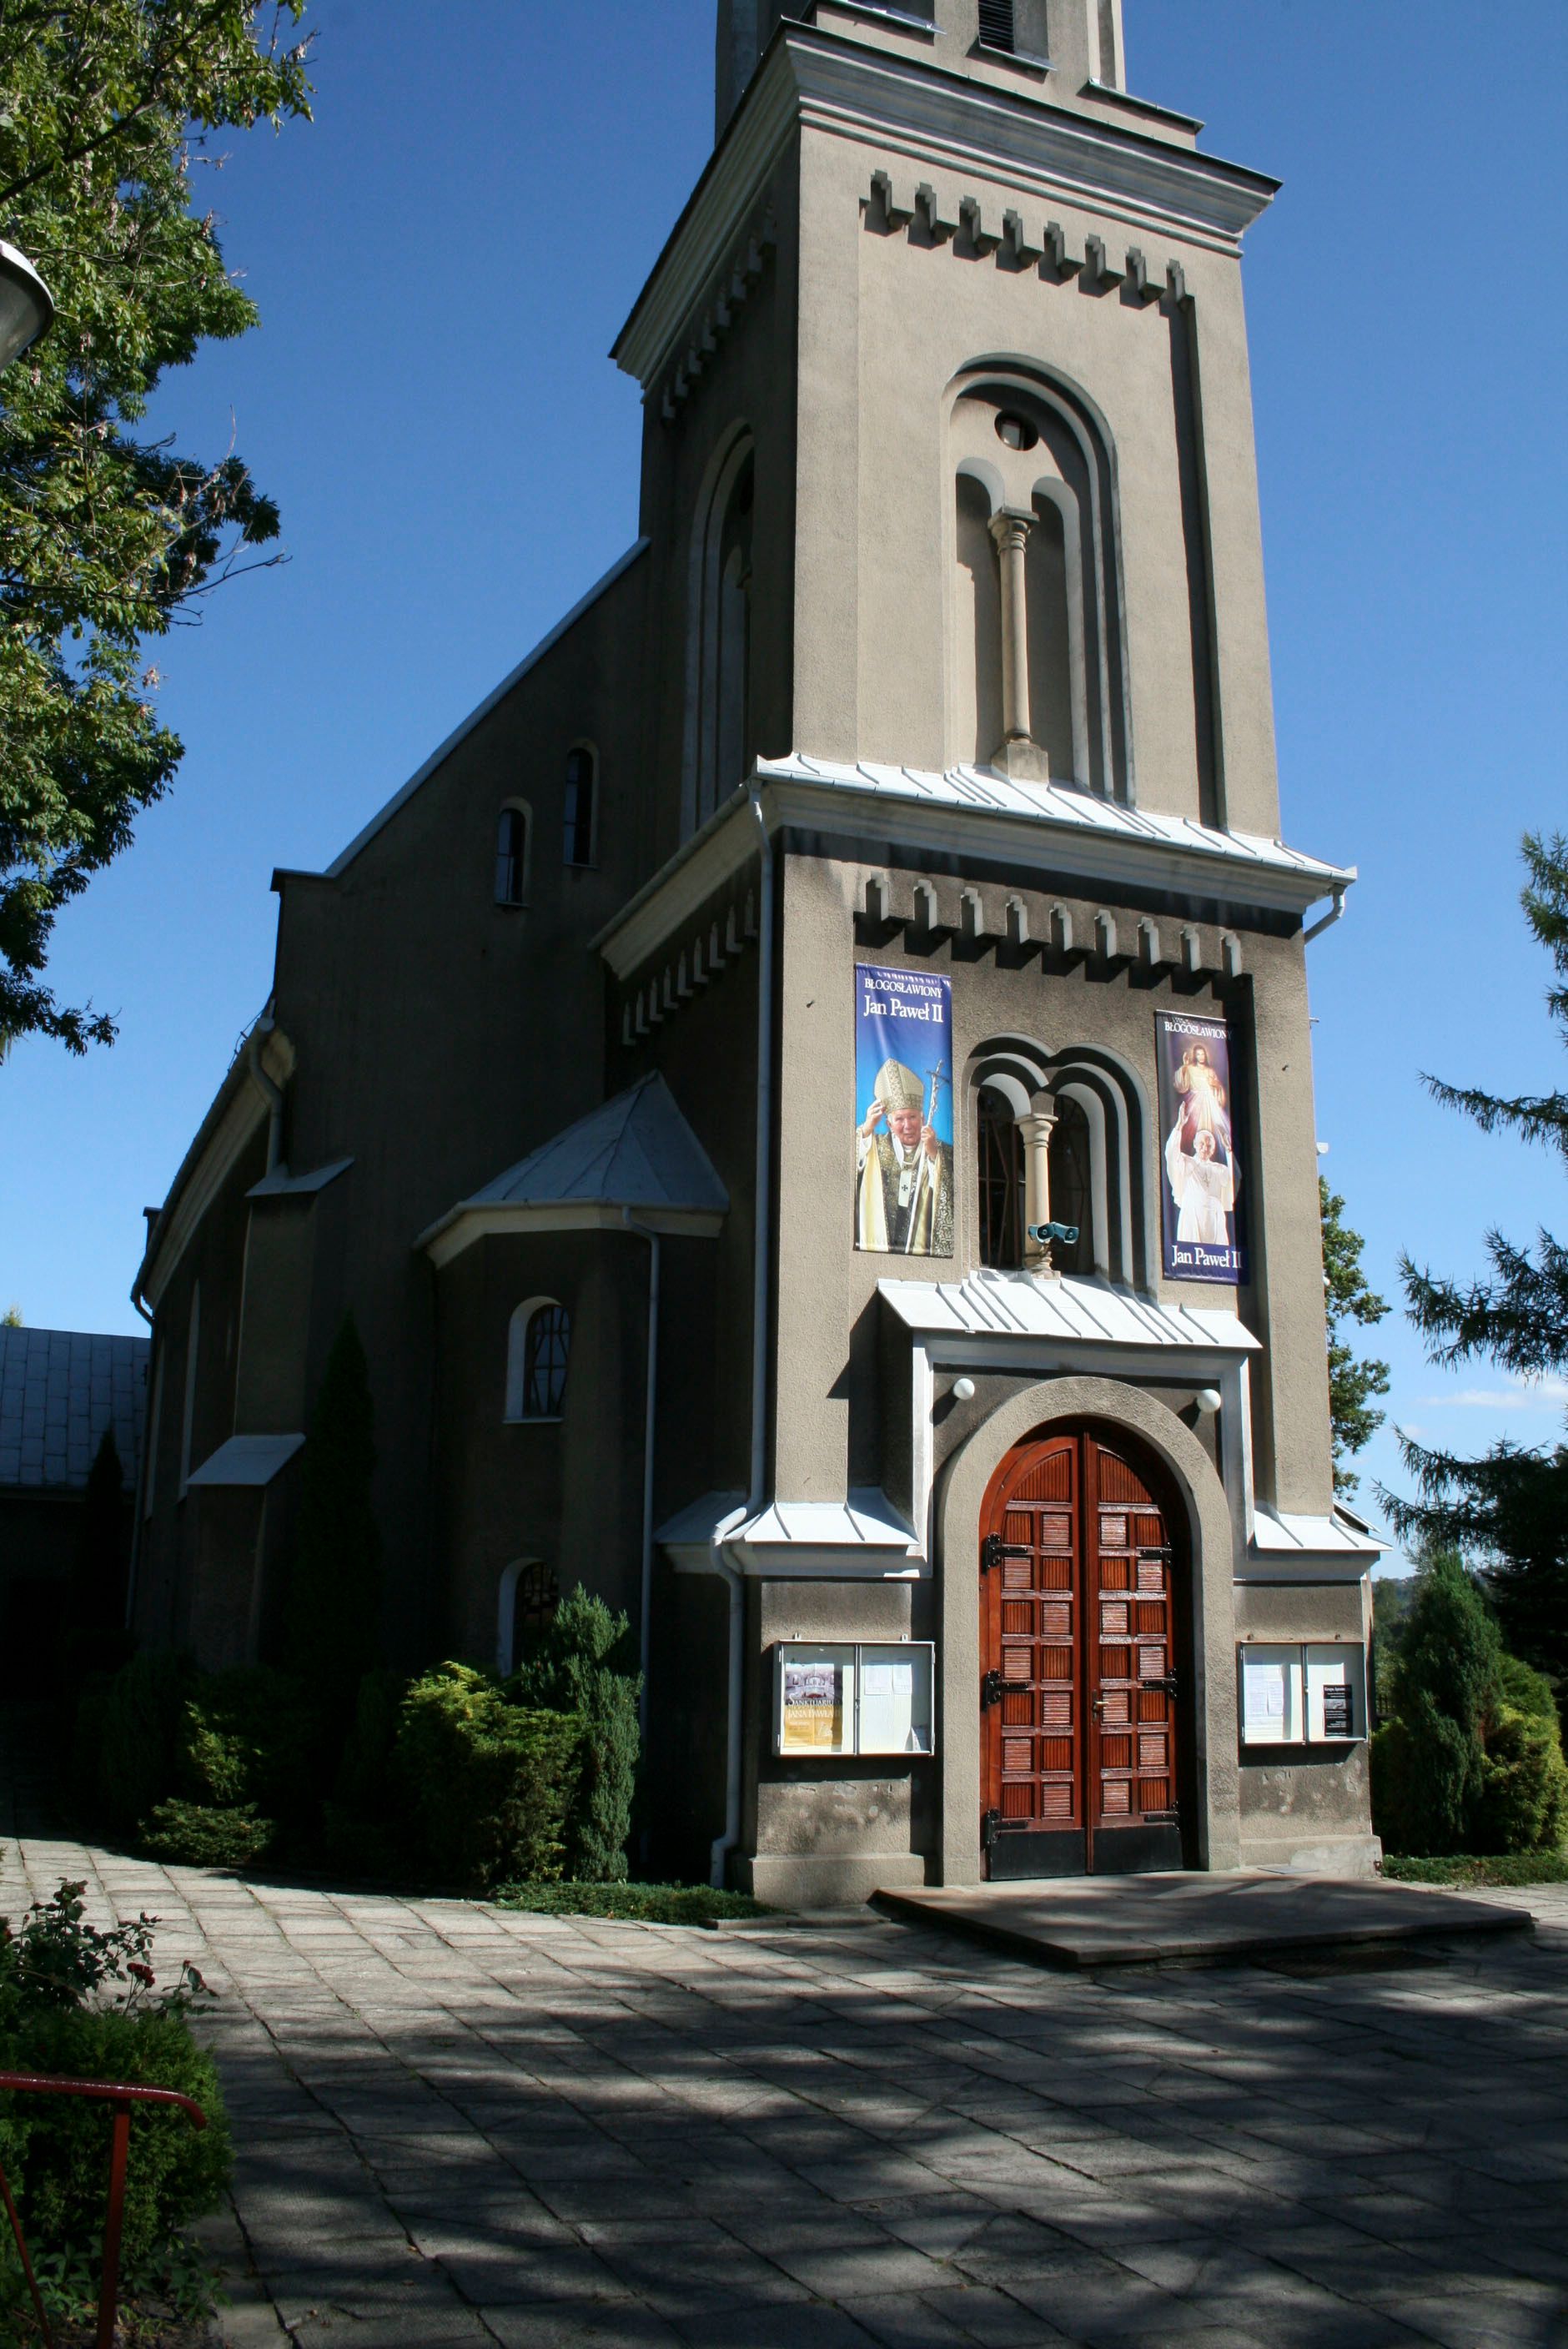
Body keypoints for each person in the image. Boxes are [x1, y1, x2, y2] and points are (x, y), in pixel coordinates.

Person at [856, 1057, 953, 1255]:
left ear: (923, 1118)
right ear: (889, 1124)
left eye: (912, 1117)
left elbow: (952, 1194)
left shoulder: (939, 1150)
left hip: (921, 1250)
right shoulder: (875, 1147)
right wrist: (865, 1130)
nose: (907, 1125)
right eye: (899, 1119)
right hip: (879, 1246)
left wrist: (934, 1156)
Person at [1164, 1119, 1237, 1248]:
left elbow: (1232, 1182)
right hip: (1193, 1216)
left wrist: (1228, 1151)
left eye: (1209, 1146)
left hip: (1214, 1218)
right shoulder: (1186, 1163)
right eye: (1201, 1144)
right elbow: (1171, 1153)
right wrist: (1179, 1125)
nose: (1205, 1148)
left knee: (1216, 1254)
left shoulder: (1219, 1169)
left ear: (1213, 1149)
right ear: (1195, 1144)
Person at [1173, 1042, 1230, 1157]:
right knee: (1194, 1128)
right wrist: (1184, 1066)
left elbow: (1218, 1089)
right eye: (1198, 1054)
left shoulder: (1210, 1071)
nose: (1201, 1057)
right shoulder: (1190, 1069)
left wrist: (1216, 1085)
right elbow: (1182, 1085)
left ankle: (1212, 1154)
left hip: (1210, 1103)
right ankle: (1196, 1154)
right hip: (1196, 1103)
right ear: (1195, 1056)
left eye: (1203, 1054)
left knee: (1214, 1128)